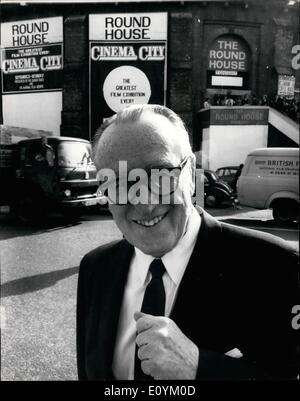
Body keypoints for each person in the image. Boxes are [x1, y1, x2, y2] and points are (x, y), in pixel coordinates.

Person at [77, 104, 299, 380]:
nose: (144, 202)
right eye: (120, 183)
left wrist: (200, 366)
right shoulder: (96, 268)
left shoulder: (276, 266)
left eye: (161, 175)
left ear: (192, 173)